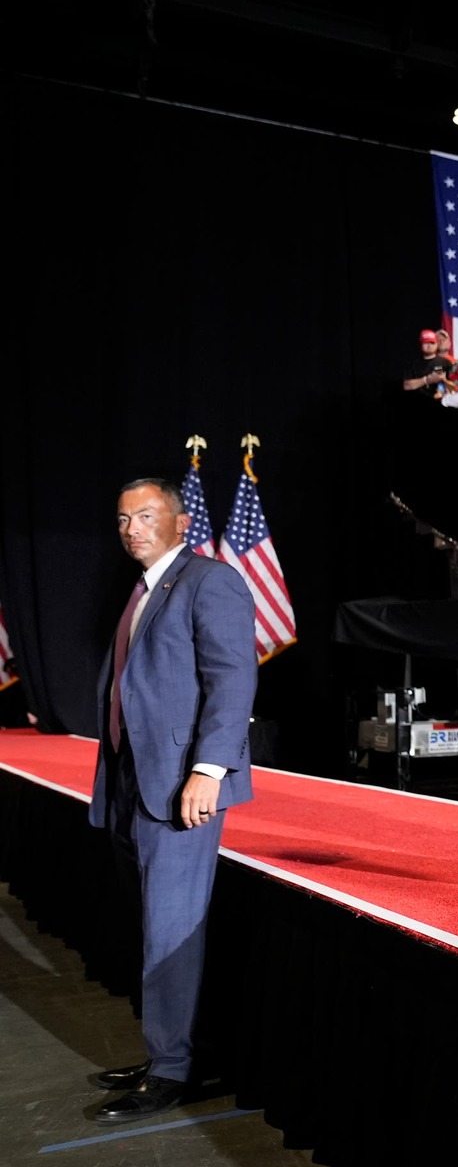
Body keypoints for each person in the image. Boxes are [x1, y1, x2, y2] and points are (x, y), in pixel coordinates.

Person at [89, 479, 257, 1123]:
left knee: (170, 929)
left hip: (180, 786)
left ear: (180, 521)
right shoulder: (141, 589)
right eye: (124, 517)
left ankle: (171, 1070)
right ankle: (175, 1048)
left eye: (147, 514)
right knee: (154, 925)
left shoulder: (208, 581)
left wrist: (209, 770)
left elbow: (232, 679)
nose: (132, 526)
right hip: (133, 781)